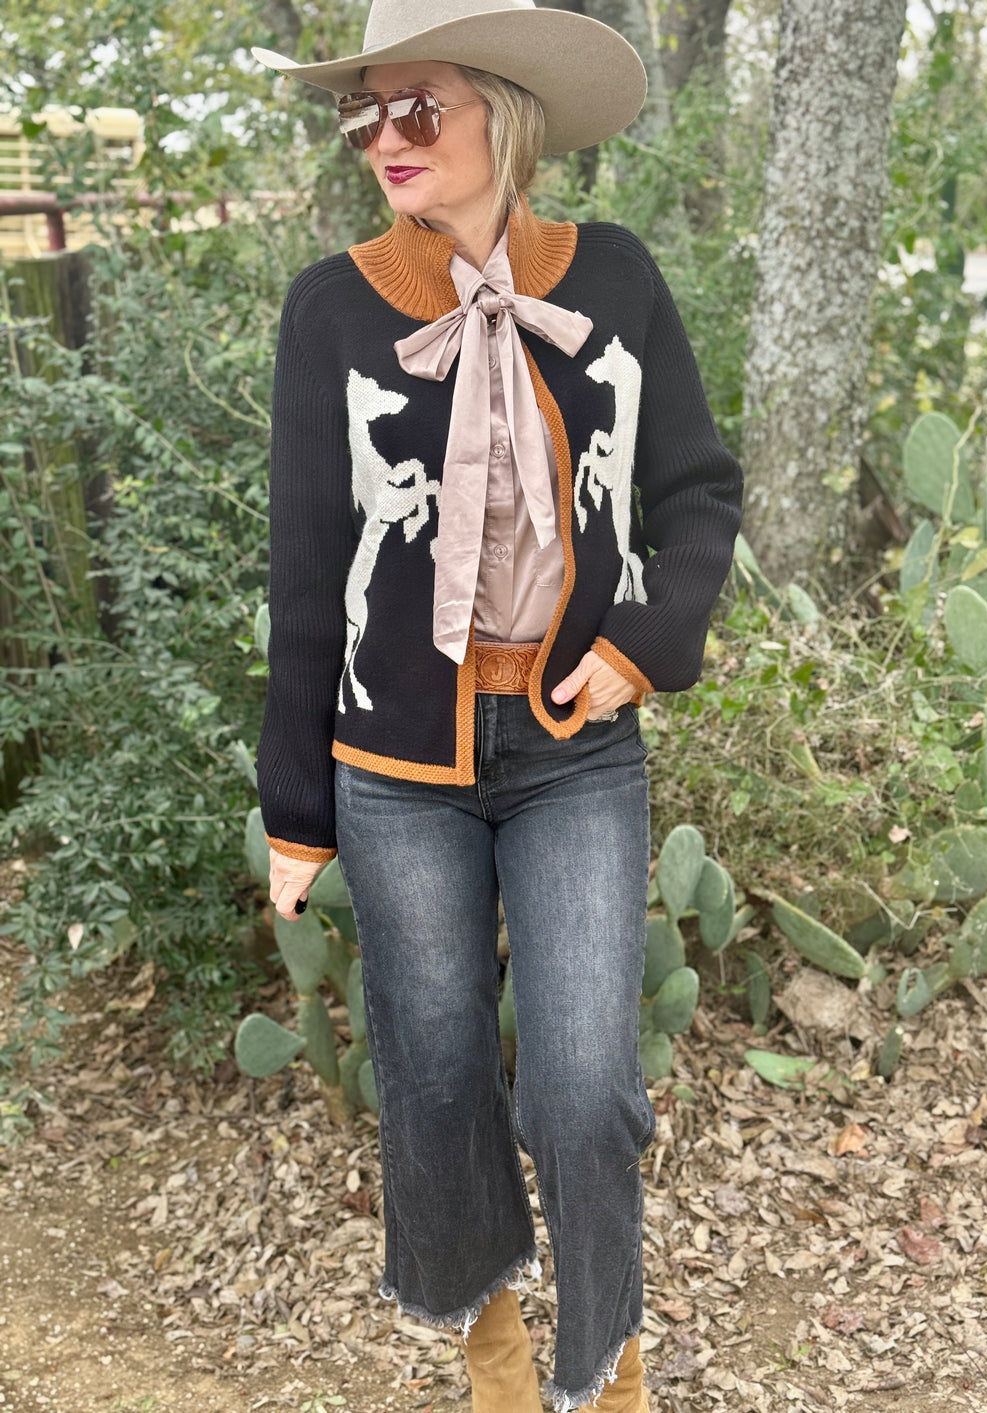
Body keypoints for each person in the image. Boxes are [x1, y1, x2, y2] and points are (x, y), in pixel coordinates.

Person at [252, 2, 742, 1408]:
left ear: (504, 110)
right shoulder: (333, 308)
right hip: (396, 763)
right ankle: (496, 1351)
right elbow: (306, 571)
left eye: (417, 107)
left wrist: (644, 644)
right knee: (438, 1073)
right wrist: (295, 809)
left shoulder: (616, 280)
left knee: (583, 1087)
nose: (385, 139)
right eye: (365, 114)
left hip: (575, 749)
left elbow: (699, 490)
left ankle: (610, 1363)